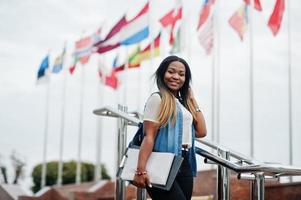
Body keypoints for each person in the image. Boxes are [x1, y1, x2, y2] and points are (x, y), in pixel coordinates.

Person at [133, 55, 207, 200]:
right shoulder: (157, 99)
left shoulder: (183, 104)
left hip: (185, 162)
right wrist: (140, 170)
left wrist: (192, 100)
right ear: (162, 73)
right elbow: (149, 136)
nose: (176, 77)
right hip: (162, 161)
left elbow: (201, 131)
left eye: (181, 74)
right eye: (171, 72)